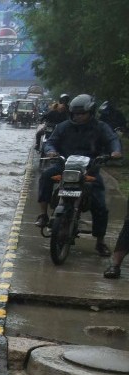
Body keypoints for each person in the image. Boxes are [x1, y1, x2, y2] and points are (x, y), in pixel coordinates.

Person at [35, 93, 122, 257]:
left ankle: (100, 241)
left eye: (82, 113)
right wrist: (51, 151)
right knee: (46, 176)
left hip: (90, 169)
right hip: (64, 166)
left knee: (100, 205)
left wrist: (115, 151)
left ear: (91, 112)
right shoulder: (63, 127)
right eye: (75, 113)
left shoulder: (101, 127)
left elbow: (113, 140)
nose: (78, 116)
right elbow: (51, 141)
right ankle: (43, 215)